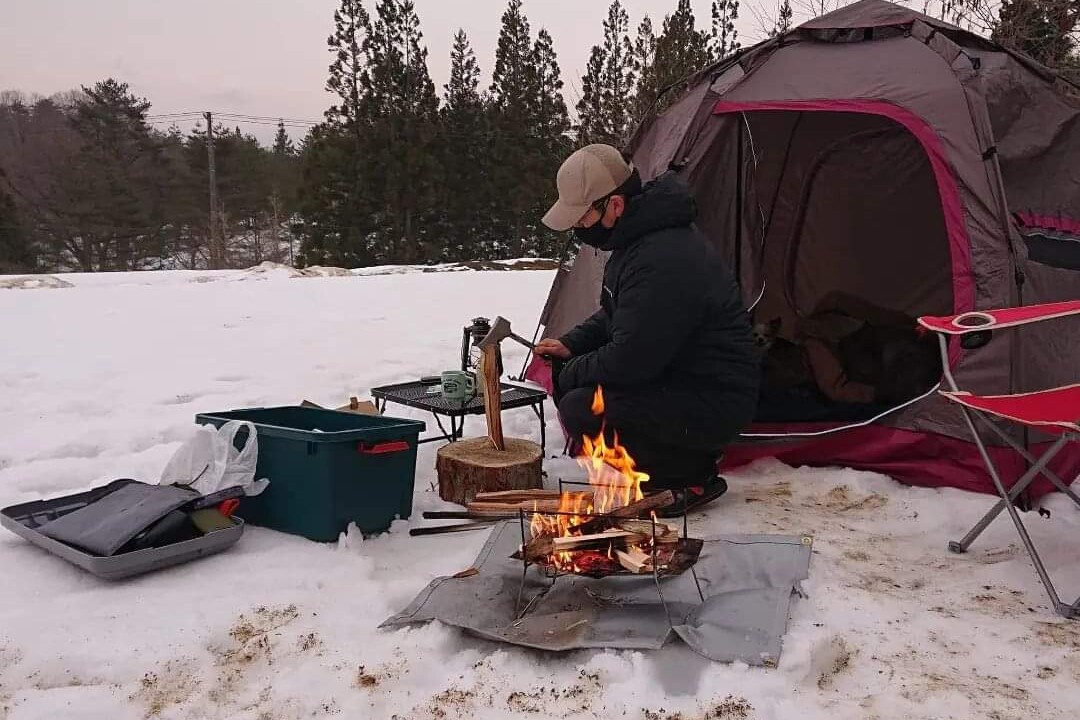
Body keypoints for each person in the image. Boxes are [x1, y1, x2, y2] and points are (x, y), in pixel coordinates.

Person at [533, 144, 759, 512]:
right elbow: (615, 315)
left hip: (713, 400)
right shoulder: (637, 241)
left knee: (582, 407)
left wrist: (570, 373)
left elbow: (632, 359)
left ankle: (687, 477)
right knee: (581, 396)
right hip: (682, 381)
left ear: (616, 205)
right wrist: (571, 345)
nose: (577, 228)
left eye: (582, 218)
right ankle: (662, 468)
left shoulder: (661, 257)